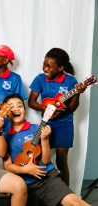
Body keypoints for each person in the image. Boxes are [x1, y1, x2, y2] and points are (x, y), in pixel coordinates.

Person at [2, 93, 89, 206]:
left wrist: (45, 139)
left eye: (19, 105)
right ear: (5, 112)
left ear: (25, 110)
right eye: (11, 107)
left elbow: (46, 160)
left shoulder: (36, 129)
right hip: (23, 184)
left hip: (47, 178)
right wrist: (26, 170)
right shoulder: (4, 137)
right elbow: (8, 165)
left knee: (76, 203)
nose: (16, 109)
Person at [28, 48, 86, 186]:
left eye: (50, 66)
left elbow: (72, 108)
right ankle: (43, 190)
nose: (45, 68)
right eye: (44, 64)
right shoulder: (40, 78)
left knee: (61, 158)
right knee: (40, 157)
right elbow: (31, 102)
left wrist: (77, 93)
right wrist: (45, 108)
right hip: (46, 123)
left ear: (61, 68)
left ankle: (65, 192)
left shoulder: (71, 81)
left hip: (64, 123)